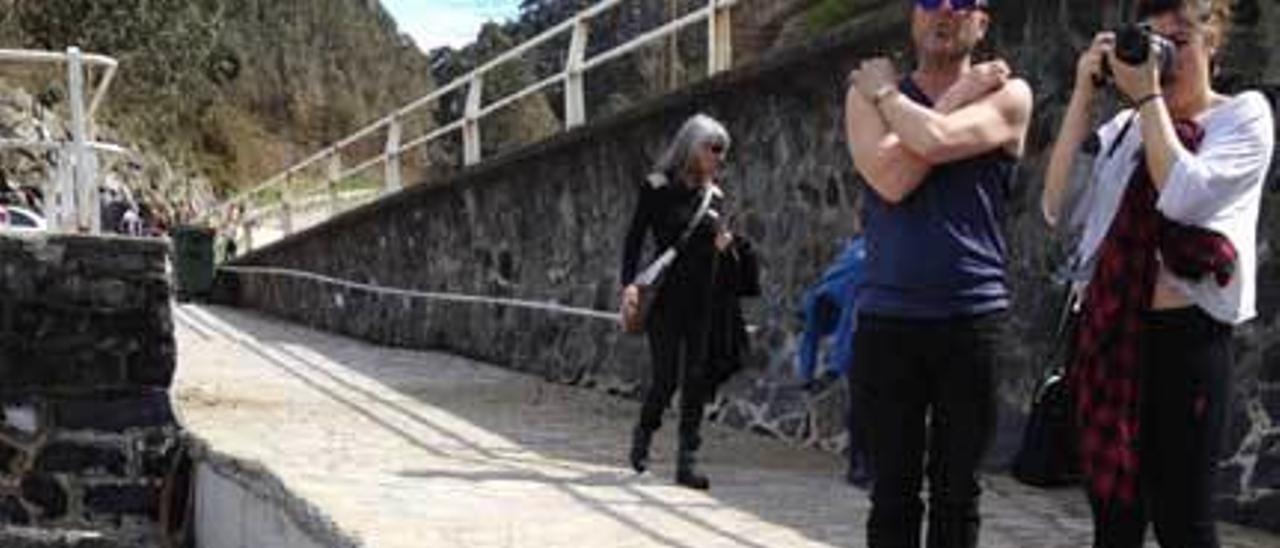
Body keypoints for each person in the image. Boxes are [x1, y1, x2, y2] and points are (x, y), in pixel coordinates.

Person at [1042, 1, 1274, 546]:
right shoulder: (1126, 128)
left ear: (1213, 43)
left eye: (1180, 43)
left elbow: (1185, 196)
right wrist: (1084, 93)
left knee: (1183, 523)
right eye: (1153, 44)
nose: (1164, 60)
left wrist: (1148, 96)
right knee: (1114, 522)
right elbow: (1057, 204)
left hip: (1185, 344)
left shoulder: (1243, 115)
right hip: (1107, 339)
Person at [843, 0, 1034, 546]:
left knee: (958, 492)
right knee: (892, 493)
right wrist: (953, 97)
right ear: (912, 16)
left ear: (983, 21)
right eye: (930, 2)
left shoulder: (1008, 94)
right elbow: (890, 178)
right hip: (889, 318)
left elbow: (934, 143)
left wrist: (890, 96)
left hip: (971, 318)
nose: (943, 13)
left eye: (961, 3)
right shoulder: (862, 95)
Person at [620, 113, 738, 490]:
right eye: (713, 149)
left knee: (696, 380)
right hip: (666, 299)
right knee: (666, 377)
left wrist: (727, 247)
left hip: (704, 300)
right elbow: (634, 239)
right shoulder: (656, 188)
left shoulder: (715, 196)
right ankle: (644, 433)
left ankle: (687, 461)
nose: (720, 157)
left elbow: (723, 248)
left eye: (724, 151)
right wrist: (629, 285)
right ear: (691, 146)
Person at [796, 235, 872, 486]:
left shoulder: (838, 284)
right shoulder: (826, 296)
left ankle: (861, 465)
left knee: (864, 398)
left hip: (871, 317)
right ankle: (861, 465)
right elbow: (815, 338)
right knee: (864, 398)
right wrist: (809, 377)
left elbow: (844, 332)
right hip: (871, 316)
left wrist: (831, 370)